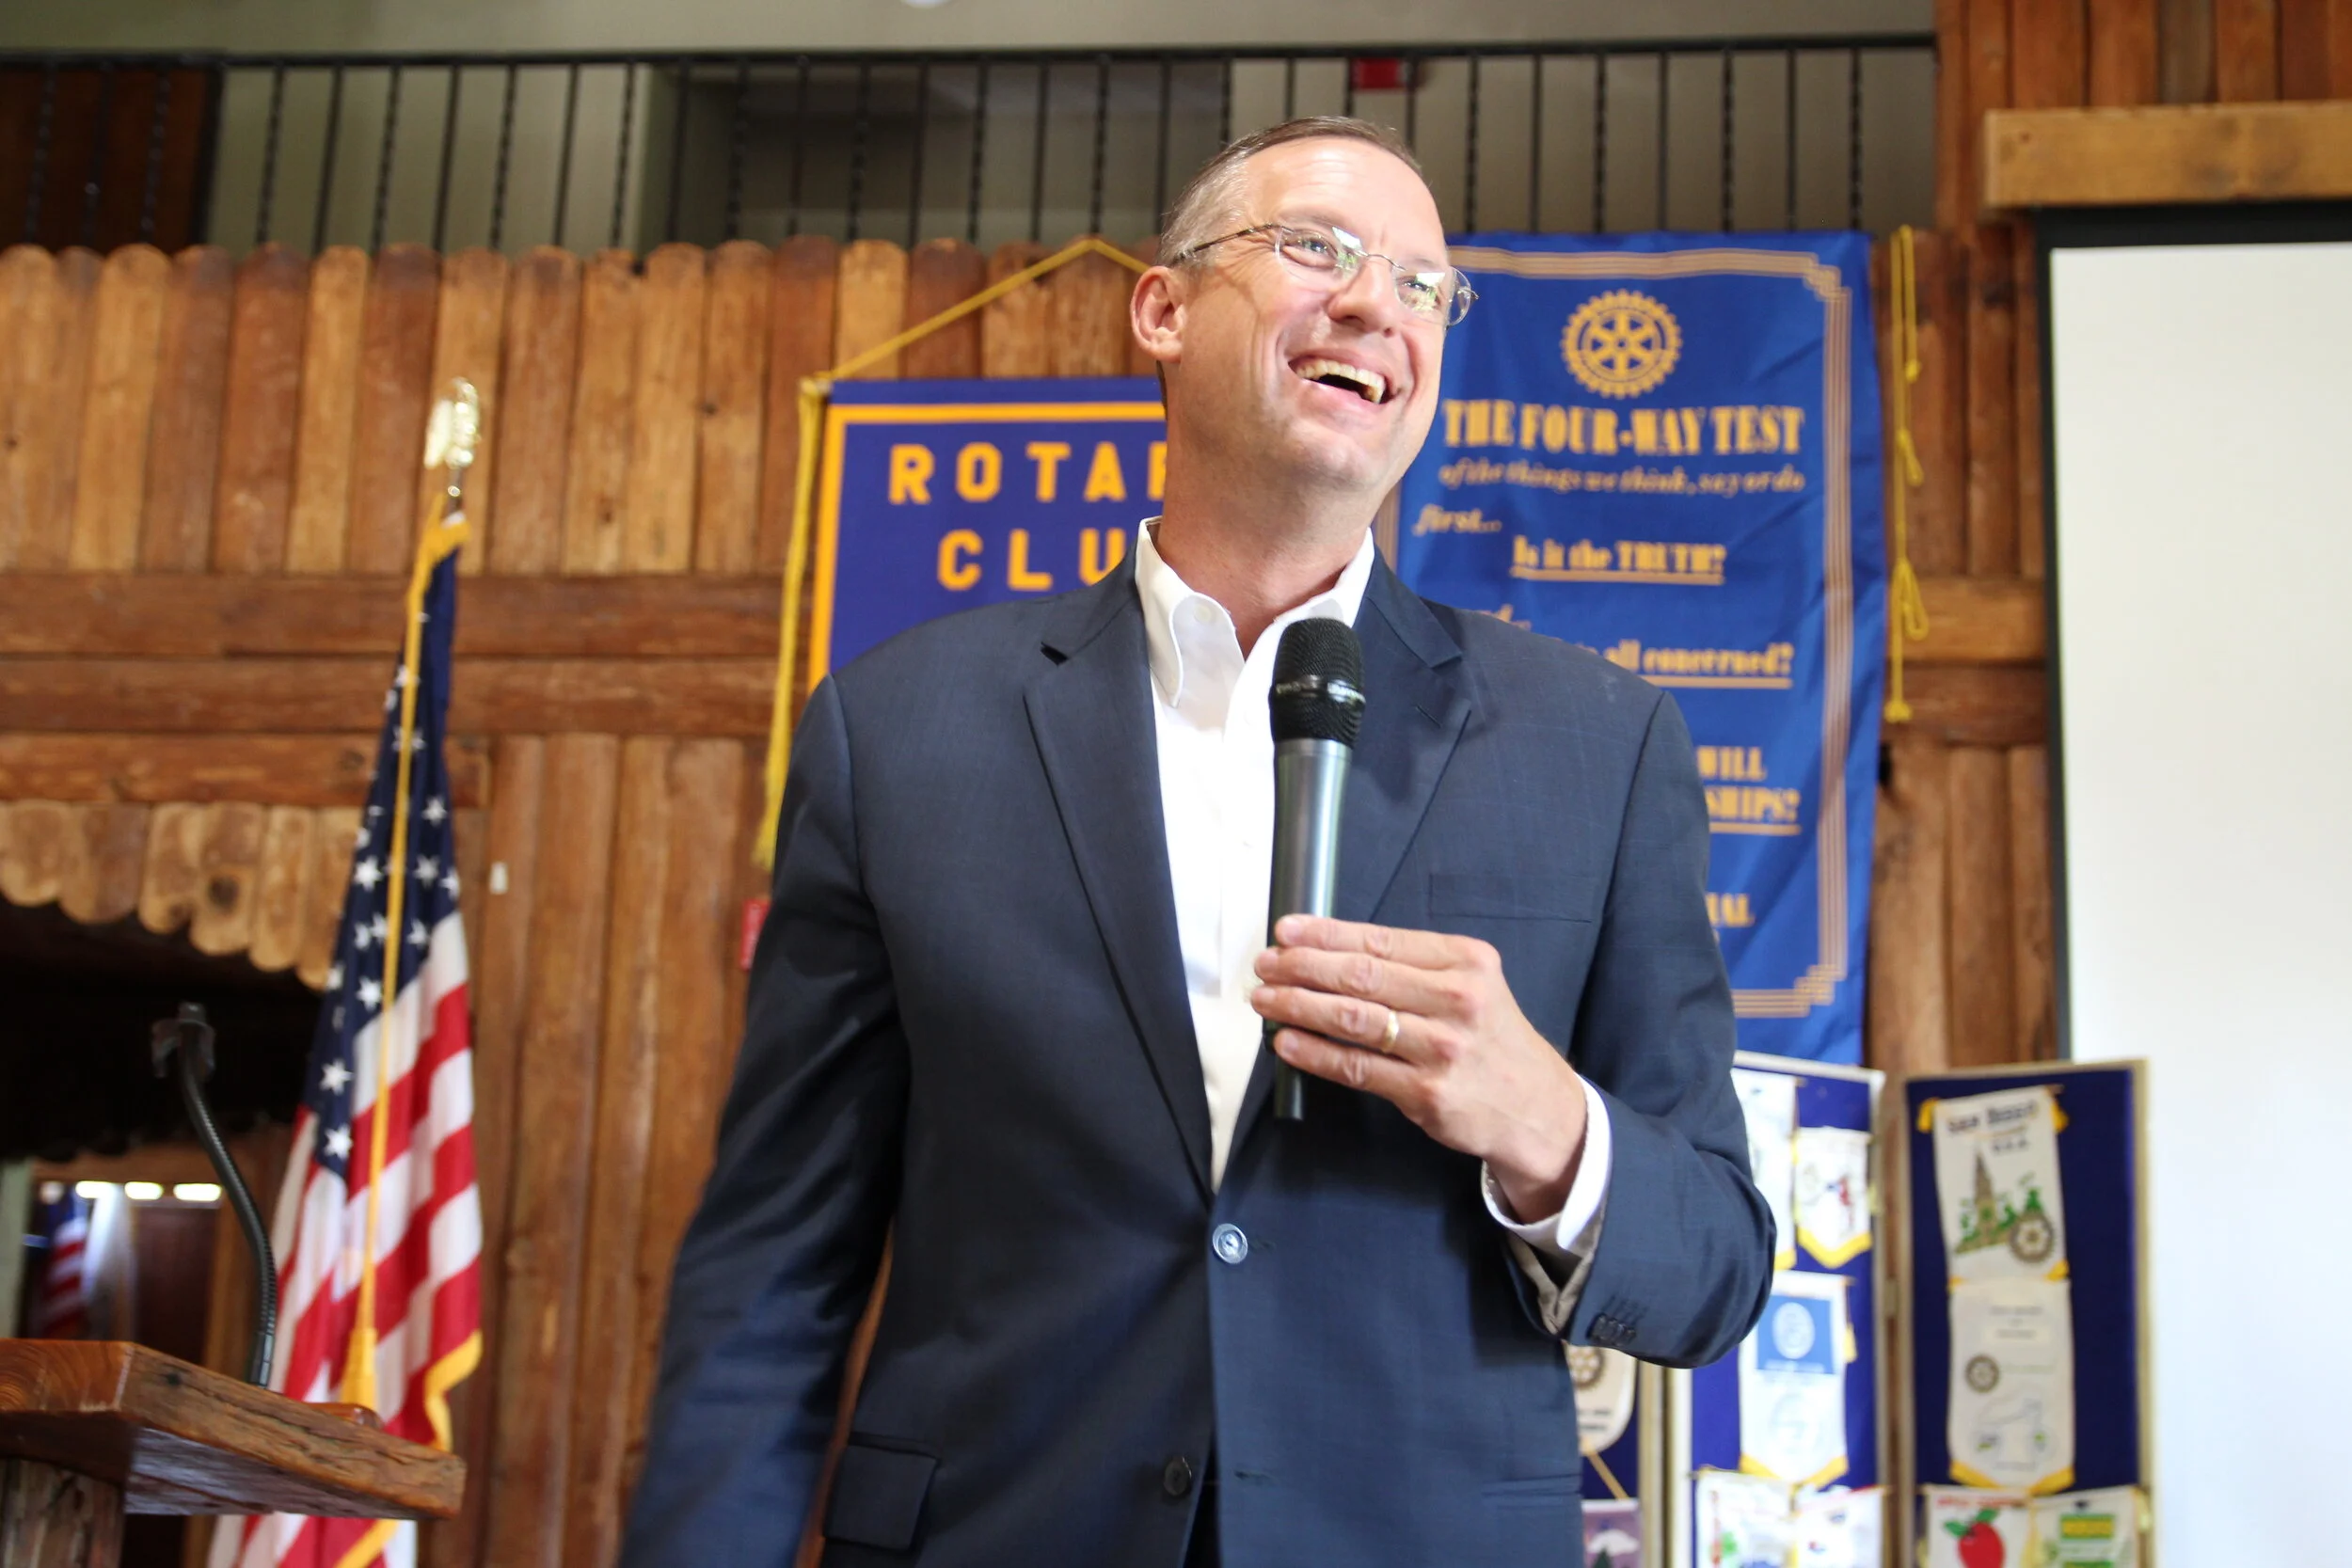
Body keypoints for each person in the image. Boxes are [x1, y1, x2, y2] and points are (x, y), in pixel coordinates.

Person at [622, 117, 1772, 1568]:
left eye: (1425, 285)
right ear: (1162, 307)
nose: (1377, 303)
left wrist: (1546, 1122)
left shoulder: (1600, 749)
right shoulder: (898, 732)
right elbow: (773, 1269)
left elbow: (1717, 1267)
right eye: (1319, 248)